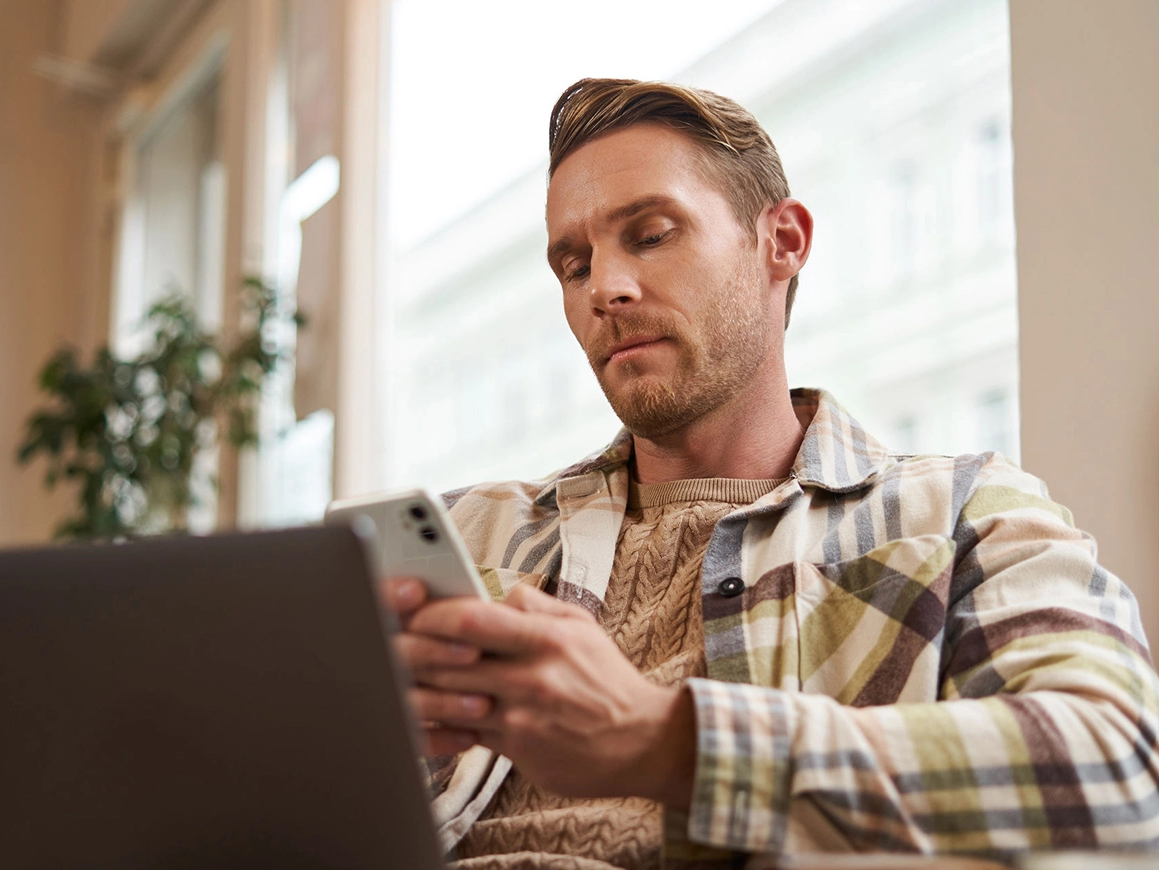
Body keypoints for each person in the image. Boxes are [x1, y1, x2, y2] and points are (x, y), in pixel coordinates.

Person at [390, 78, 1159, 869]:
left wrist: (667, 744)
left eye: (651, 235)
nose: (603, 290)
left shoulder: (960, 513)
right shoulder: (465, 536)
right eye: (573, 264)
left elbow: (1118, 774)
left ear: (782, 242)